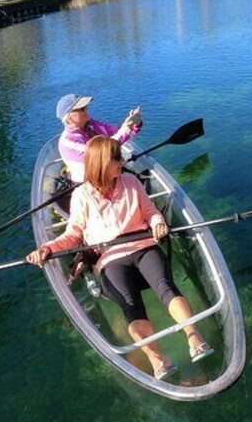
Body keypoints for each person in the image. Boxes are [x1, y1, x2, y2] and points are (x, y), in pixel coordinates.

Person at [27, 136, 214, 381]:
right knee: (131, 307)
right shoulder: (81, 195)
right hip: (110, 257)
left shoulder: (131, 181)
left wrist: (158, 223)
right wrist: (48, 248)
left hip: (143, 245)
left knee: (166, 288)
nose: (122, 161)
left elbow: (150, 212)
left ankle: (194, 338)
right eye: (117, 158)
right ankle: (157, 360)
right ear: (103, 163)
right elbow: (73, 234)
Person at [56, 93, 143, 184]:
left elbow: (118, 132)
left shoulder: (93, 125)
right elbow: (102, 153)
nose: (87, 109)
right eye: (82, 109)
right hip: (88, 185)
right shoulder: (67, 143)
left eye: (86, 106)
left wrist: (134, 122)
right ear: (69, 117)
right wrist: (125, 129)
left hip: (110, 175)